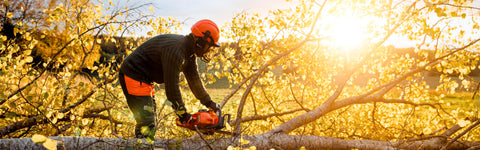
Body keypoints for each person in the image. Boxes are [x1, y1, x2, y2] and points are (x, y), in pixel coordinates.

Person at [118, 19, 221, 138]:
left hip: (145, 79)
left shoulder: (189, 53)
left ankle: (144, 145)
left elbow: (194, 80)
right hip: (134, 73)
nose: (208, 51)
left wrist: (209, 103)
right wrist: (184, 116)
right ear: (200, 42)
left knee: (151, 120)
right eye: (209, 47)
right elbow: (172, 89)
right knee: (147, 122)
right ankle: (141, 146)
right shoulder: (177, 51)